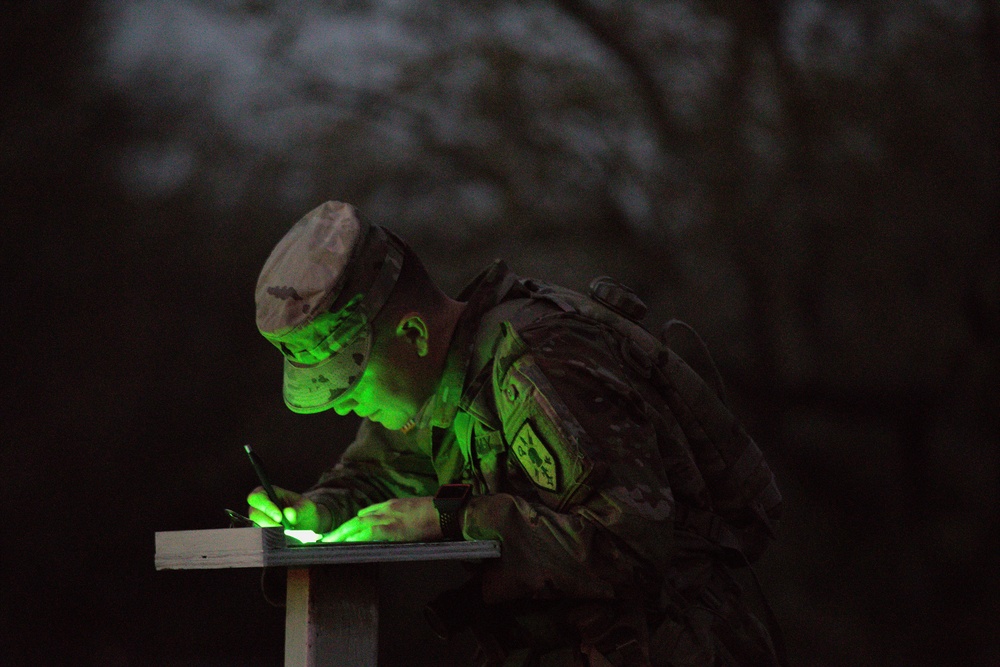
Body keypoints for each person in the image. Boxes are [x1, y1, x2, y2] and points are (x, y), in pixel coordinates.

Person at [247, 201, 785, 666]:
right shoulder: (437, 388)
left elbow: (630, 543)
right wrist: (317, 512)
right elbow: (376, 475)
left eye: (349, 380)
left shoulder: (541, 359)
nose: (342, 406)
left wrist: (451, 518)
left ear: (410, 334)